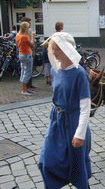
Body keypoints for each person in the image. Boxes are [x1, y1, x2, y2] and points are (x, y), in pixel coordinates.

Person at [39, 32, 92, 189]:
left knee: (78, 169)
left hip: (75, 125)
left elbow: (85, 106)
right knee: (46, 162)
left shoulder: (80, 73)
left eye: (58, 49)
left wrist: (80, 134)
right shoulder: (55, 71)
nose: (54, 52)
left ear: (68, 49)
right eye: (52, 48)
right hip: (57, 122)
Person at [16, 22, 35, 96]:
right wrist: (33, 36)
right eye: (28, 27)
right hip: (27, 54)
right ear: (25, 28)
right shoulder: (25, 36)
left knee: (23, 71)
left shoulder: (17, 35)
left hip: (21, 54)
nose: (28, 29)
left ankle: (25, 88)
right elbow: (32, 45)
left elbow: (17, 46)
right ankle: (24, 90)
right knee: (27, 72)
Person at [21, 16, 36, 89]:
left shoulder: (27, 32)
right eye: (29, 23)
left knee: (29, 69)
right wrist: (33, 36)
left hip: (28, 52)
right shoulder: (24, 34)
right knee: (27, 70)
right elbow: (31, 43)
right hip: (27, 53)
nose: (30, 25)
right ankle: (26, 87)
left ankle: (30, 84)